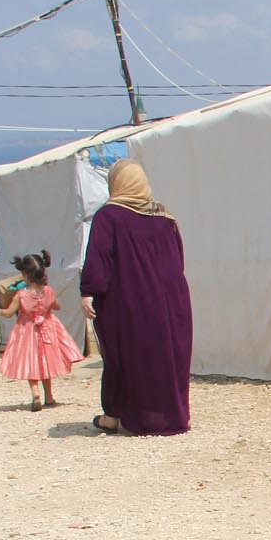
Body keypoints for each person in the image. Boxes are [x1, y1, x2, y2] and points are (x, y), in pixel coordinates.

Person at [79, 160, 193, 436]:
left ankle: (120, 416)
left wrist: (88, 292)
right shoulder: (165, 216)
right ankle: (173, 417)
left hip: (131, 300)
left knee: (128, 355)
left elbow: (99, 259)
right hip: (172, 299)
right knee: (167, 355)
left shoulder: (110, 216)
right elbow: (178, 259)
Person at [0, 250, 83, 412]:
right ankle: (49, 396)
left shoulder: (21, 295)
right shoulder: (48, 291)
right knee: (45, 362)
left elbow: (8, 313)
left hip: (27, 331)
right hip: (47, 329)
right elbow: (57, 306)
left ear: (26, 275)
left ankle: (35, 393)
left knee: (31, 362)